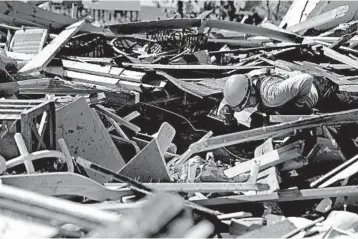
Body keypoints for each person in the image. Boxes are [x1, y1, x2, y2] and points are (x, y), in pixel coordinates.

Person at [219, 68, 358, 126]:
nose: (248, 107)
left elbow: (306, 79)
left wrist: (299, 106)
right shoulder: (248, 80)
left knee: (349, 106)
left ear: (251, 94)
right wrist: (226, 107)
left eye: (247, 104)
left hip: (319, 92)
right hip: (296, 89)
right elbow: (234, 91)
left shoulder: (272, 95)